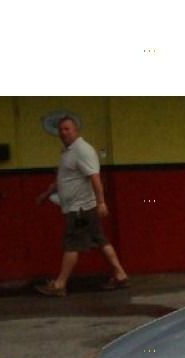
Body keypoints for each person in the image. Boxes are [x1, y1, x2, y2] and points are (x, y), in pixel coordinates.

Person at [35, 116, 129, 296]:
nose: (63, 133)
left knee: (72, 243)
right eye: (61, 130)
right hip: (79, 207)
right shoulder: (68, 152)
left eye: (67, 129)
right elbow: (65, 179)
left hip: (80, 209)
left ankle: (59, 284)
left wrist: (101, 202)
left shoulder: (82, 150)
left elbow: (94, 177)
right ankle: (120, 274)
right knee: (100, 240)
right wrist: (46, 195)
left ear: (76, 129)